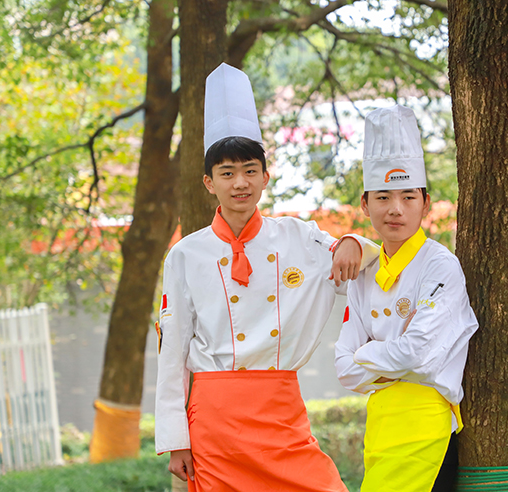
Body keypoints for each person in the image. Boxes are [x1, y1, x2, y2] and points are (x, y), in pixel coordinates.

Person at [155, 63, 379, 491]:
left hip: (280, 410)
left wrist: (354, 240)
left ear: (264, 176)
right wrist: (175, 440)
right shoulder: (184, 255)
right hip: (214, 419)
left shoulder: (298, 236)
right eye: (227, 173)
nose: (240, 183)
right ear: (209, 183)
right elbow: (173, 353)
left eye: (250, 170)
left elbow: (357, 260)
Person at [334, 104, 479, 492]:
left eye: (408, 197)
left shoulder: (440, 265)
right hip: (380, 425)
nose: (395, 209)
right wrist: (391, 358)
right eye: (383, 197)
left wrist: (366, 353)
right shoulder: (364, 274)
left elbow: (414, 353)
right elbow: (342, 368)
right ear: (365, 204)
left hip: (427, 428)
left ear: (425, 203)